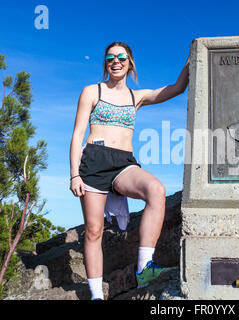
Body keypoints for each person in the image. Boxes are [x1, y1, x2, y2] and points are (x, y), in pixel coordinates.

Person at [69, 41, 189, 300]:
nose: (116, 61)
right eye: (110, 57)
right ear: (105, 63)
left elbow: (177, 88)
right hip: (93, 163)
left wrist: (193, 59)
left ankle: (145, 267)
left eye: (121, 56)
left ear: (130, 62)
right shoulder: (92, 91)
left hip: (123, 163)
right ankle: (96, 295)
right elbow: (78, 133)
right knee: (93, 231)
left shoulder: (137, 97)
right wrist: (74, 174)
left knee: (156, 190)